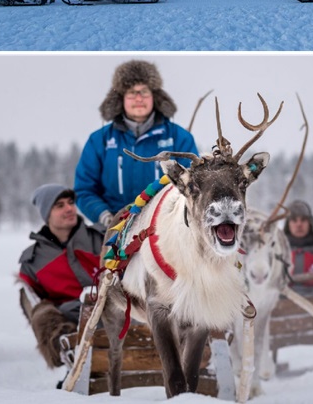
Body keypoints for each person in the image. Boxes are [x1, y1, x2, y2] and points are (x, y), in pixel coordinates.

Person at [74, 59, 199, 228]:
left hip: (164, 229)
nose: (139, 98)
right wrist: (105, 217)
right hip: (110, 230)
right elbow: (84, 189)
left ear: (155, 97)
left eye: (144, 92)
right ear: (120, 98)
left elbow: (193, 185)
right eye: (132, 92)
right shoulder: (99, 141)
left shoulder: (179, 137)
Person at [18, 184, 104, 368]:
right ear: (46, 214)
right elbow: (31, 302)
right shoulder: (33, 261)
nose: (69, 209)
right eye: (60, 205)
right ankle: (73, 362)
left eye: (71, 203)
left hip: (116, 313)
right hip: (72, 324)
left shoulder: (101, 239)